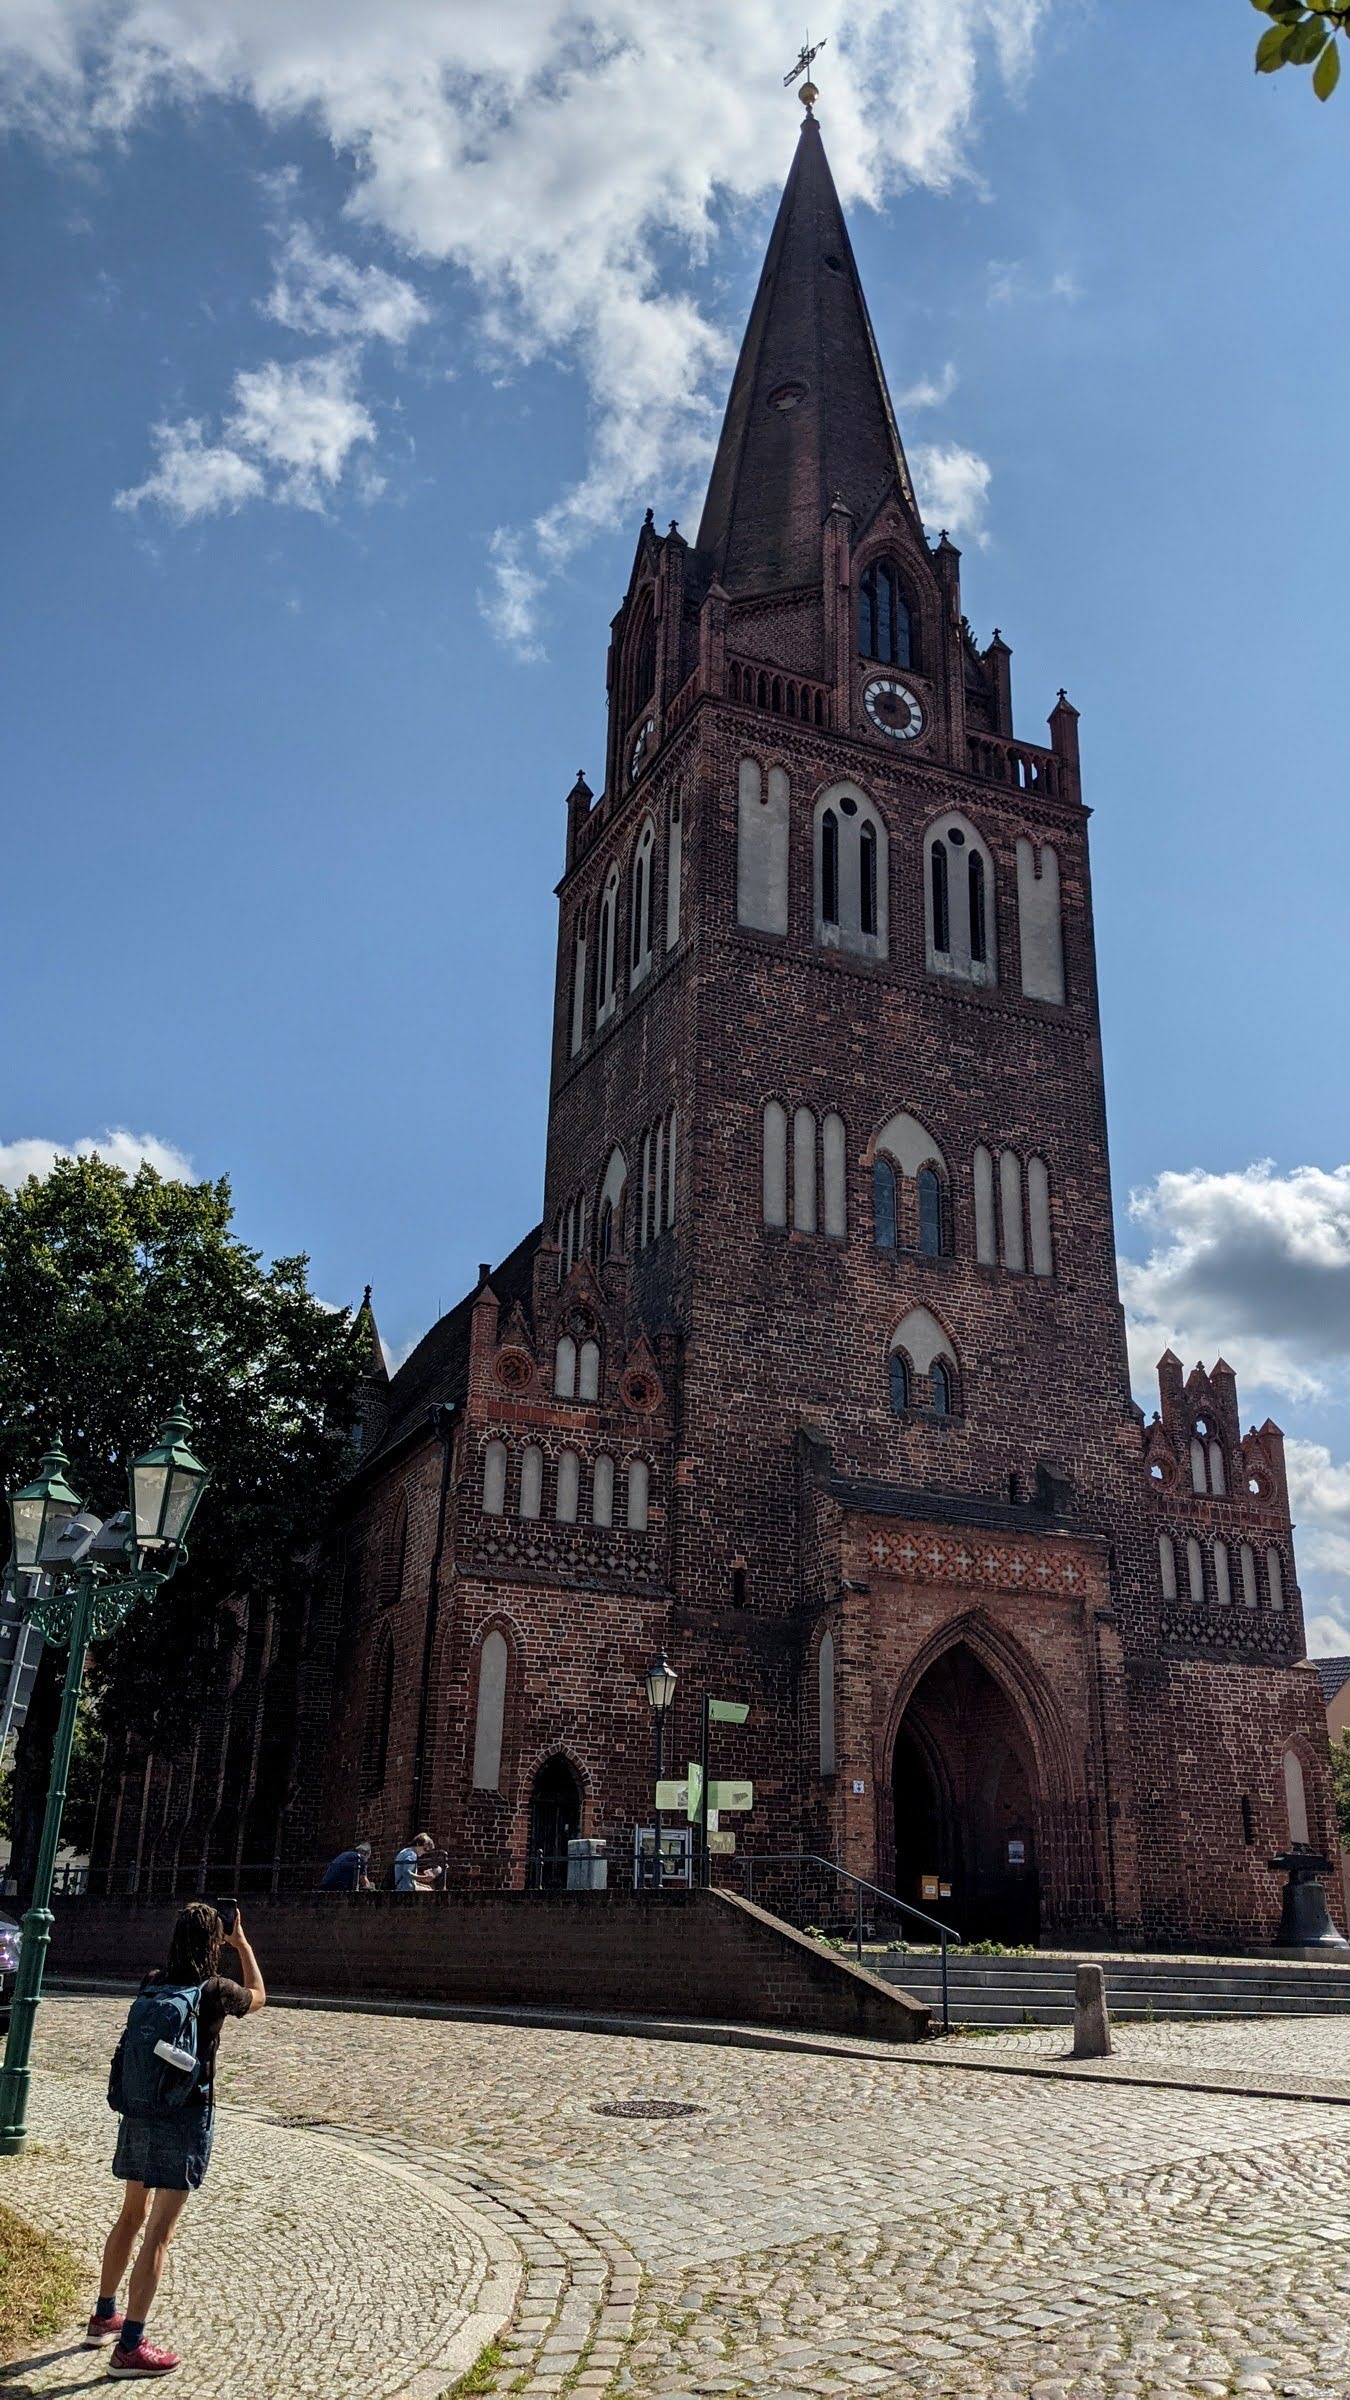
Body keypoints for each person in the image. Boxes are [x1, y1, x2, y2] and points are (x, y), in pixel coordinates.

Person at [89, 1900, 265, 2377]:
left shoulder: (152, 1982)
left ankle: (104, 2316)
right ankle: (130, 2347)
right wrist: (242, 1944)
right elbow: (259, 1996)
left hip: (140, 2110)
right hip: (184, 2117)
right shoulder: (215, 1990)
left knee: (130, 2216)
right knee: (159, 2233)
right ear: (214, 1942)